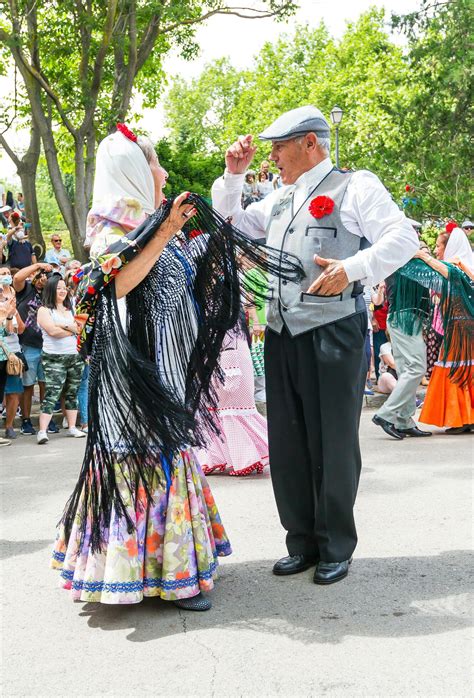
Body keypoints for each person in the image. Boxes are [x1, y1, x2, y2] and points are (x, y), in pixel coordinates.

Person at [212, 105, 419, 584]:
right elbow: (232, 228)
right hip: (284, 332)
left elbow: (403, 236)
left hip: (334, 329)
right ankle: (300, 541)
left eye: (279, 146)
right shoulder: (281, 197)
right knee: (289, 441)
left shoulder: (355, 185)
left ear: (310, 143)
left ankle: (335, 545)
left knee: (333, 439)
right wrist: (233, 178)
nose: (272, 156)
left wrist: (354, 268)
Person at [415, 227, 474, 433]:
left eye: (439, 245)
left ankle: (461, 419)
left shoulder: (456, 265)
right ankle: (468, 417)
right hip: (464, 327)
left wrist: (422, 255)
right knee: (465, 367)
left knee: (454, 368)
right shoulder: (467, 265)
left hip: (459, 329)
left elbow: (443, 270)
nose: (437, 249)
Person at [372, 243, 433, 441]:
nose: (424, 252)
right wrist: (421, 256)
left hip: (402, 319)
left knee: (408, 370)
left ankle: (404, 420)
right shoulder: (403, 263)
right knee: (416, 367)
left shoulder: (404, 265)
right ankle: (385, 415)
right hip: (404, 319)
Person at [196, 314, 269, 476]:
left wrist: (230, 361)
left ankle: (247, 458)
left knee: (233, 406)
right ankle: (212, 458)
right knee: (214, 407)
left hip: (231, 353)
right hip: (212, 354)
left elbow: (231, 325)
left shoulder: (225, 294)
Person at [36, 274, 86, 444]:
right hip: (53, 357)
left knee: (72, 392)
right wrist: (70, 328)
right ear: (51, 289)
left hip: (74, 356)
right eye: (59, 288)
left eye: (64, 288)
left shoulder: (72, 308)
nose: (63, 291)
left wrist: (68, 328)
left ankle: (72, 427)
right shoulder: (44, 310)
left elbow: (81, 328)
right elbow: (52, 332)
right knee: (52, 392)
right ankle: (42, 431)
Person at [12, 262, 58, 435]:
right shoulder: (24, 291)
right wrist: (37, 266)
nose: (41, 279)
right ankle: (25, 420)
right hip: (28, 345)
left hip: (48, 345)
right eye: (38, 276)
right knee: (28, 385)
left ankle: (48, 418)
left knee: (46, 384)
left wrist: (50, 275)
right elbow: (17, 277)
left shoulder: (50, 295)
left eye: (44, 276)